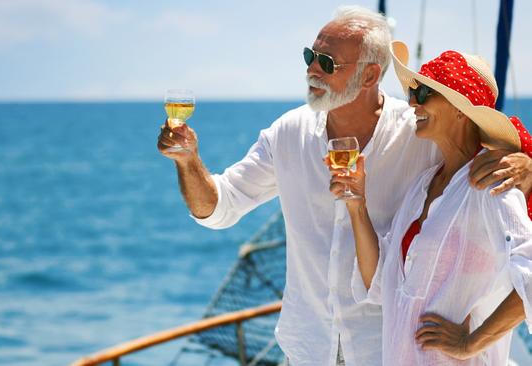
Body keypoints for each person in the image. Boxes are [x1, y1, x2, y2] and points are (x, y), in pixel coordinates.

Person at [157, 6, 532, 366]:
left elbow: (479, 164)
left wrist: (526, 166)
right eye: (310, 56)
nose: (313, 71)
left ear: (370, 76)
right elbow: (219, 207)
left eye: (328, 62)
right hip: (307, 347)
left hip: (386, 350)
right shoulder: (289, 133)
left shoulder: (420, 135)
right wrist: (189, 162)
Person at [329, 40, 532, 365]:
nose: (411, 102)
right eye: (412, 92)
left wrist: (470, 343)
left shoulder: (493, 183)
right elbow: (379, 282)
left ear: (460, 109)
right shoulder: (422, 185)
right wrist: (357, 205)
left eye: (423, 94)